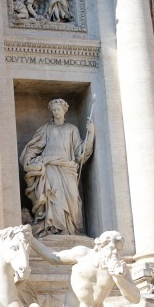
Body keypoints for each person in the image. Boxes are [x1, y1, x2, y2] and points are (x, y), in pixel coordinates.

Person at [23, 227, 141, 307]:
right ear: (101, 245)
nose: (115, 253)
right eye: (112, 248)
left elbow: (135, 298)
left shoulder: (120, 268)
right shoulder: (83, 254)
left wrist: (119, 279)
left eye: (118, 250)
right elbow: (54, 257)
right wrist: (31, 240)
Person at [20, 98, 94, 236]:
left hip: (68, 168)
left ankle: (72, 230)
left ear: (64, 110)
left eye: (58, 109)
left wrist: (91, 134)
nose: (56, 112)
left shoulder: (72, 129)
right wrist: (28, 160)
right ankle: (54, 229)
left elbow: (80, 152)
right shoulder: (46, 129)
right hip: (50, 167)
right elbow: (35, 147)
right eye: (53, 110)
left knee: (73, 199)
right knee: (54, 197)